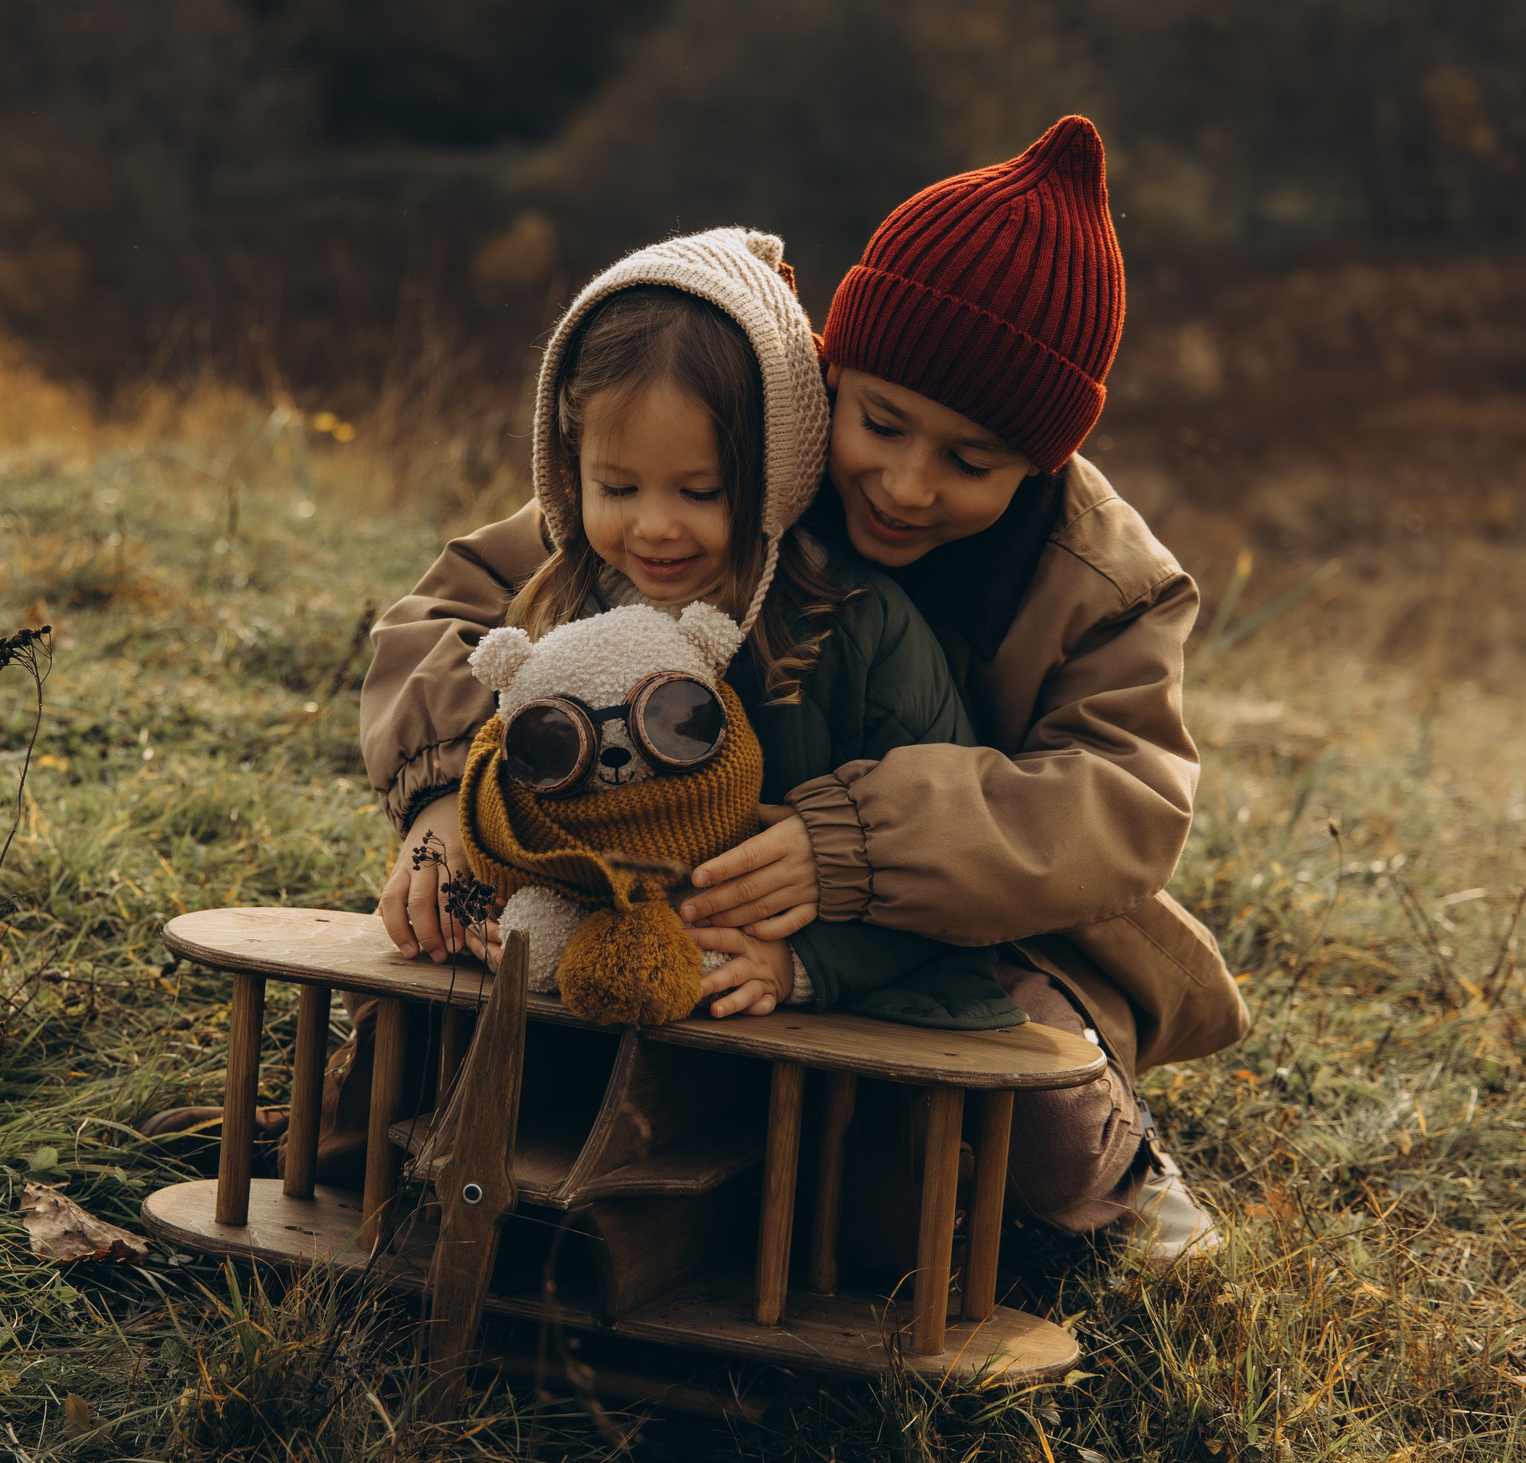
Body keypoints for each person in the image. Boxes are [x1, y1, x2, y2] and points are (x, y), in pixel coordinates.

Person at [365, 117, 1245, 1259]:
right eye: (878, 423)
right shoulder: (737, 461)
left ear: (1044, 459)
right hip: (689, 875)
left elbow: (1121, 802)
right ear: (832, 377)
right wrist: (444, 796)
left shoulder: (1103, 581)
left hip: (982, 923)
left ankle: (1122, 1170)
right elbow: (451, 611)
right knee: (485, 1020)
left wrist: (854, 848)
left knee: (1033, 1129)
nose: (906, 482)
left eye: (971, 462)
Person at [446, 226, 1023, 1032]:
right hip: (600, 987)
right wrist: (468, 875)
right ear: (569, 468)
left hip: (786, 1017)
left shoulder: (860, 628)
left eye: (701, 492)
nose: (653, 528)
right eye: (617, 486)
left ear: (777, 472)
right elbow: (518, 793)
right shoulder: (561, 604)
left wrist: (805, 965)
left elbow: (950, 873)